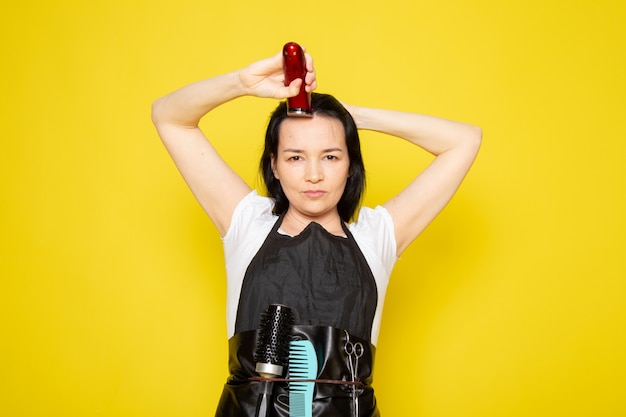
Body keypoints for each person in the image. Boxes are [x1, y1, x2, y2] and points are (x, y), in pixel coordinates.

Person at [151, 46, 481, 417]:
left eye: (330, 155)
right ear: (274, 165)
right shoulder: (247, 222)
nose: (314, 175)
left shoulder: (378, 237)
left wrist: (350, 117)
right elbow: (168, 116)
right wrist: (242, 83)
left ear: (350, 164)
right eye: (295, 157)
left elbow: (464, 140)